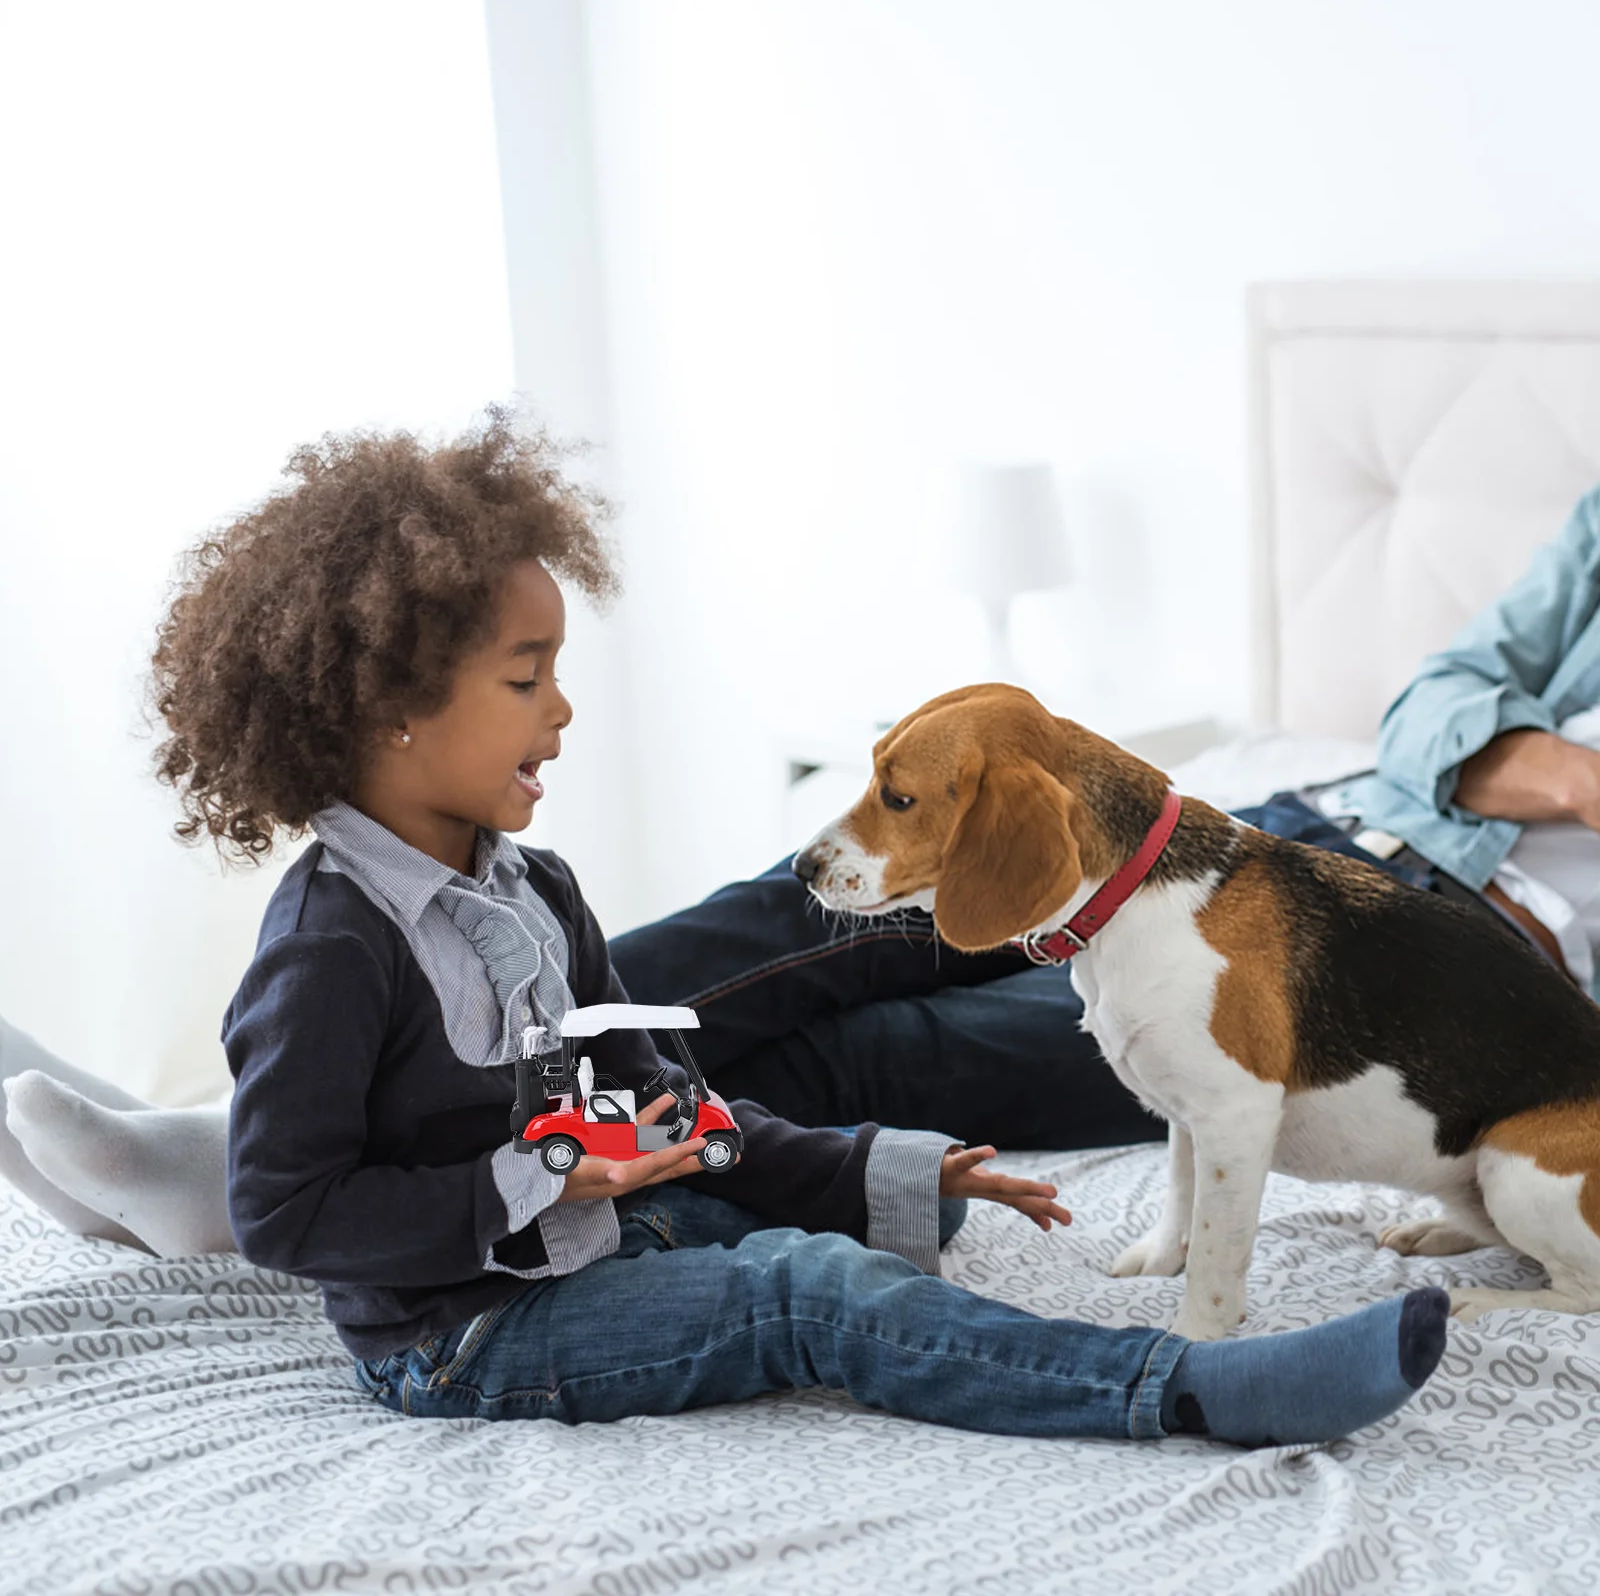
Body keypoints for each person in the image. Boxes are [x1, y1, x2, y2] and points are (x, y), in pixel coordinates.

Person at [0, 408, 1448, 1447]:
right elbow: (292, 1218)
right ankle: (1178, 1390)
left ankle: (893, 1203)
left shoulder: (536, 887)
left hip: (584, 1235)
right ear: (388, 708)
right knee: (804, 1293)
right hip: (461, 1331)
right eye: (526, 678)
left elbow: (659, 1111)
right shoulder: (328, 951)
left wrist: (881, 1167)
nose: (564, 710)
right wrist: (539, 1180)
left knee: (833, 1216)